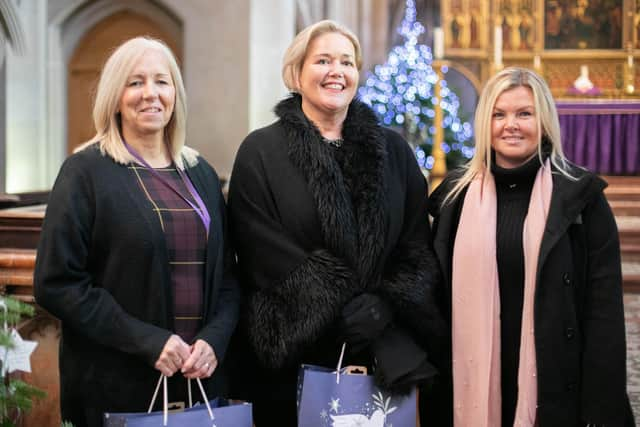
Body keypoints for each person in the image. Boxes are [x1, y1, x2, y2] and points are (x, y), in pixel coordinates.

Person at [227, 20, 446, 426]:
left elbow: (416, 245)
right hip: (296, 351)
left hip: (381, 349)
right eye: (323, 60)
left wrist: (384, 304)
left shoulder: (395, 151)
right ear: (296, 73)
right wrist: (335, 305)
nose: (336, 71)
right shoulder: (261, 151)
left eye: (347, 62)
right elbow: (258, 246)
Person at [34, 37, 240, 427]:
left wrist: (215, 339)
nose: (151, 94)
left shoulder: (202, 174)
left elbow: (228, 277)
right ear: (115, 96)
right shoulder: (85, 173)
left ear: (175, 93)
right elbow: (56, 283)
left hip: (199, 386)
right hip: (118, 385)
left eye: (162, 82)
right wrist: (147, 341)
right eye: (135, 82)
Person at [428, 67, 635, 426]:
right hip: (468, 374)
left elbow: (603, 315)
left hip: (553, 375)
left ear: (544, 121)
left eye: (524, 114)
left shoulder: (580, 199)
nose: (511, 125)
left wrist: (602, 404)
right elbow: (431, 296)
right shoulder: (454, 198)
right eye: (499, 114)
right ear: (484, 121)